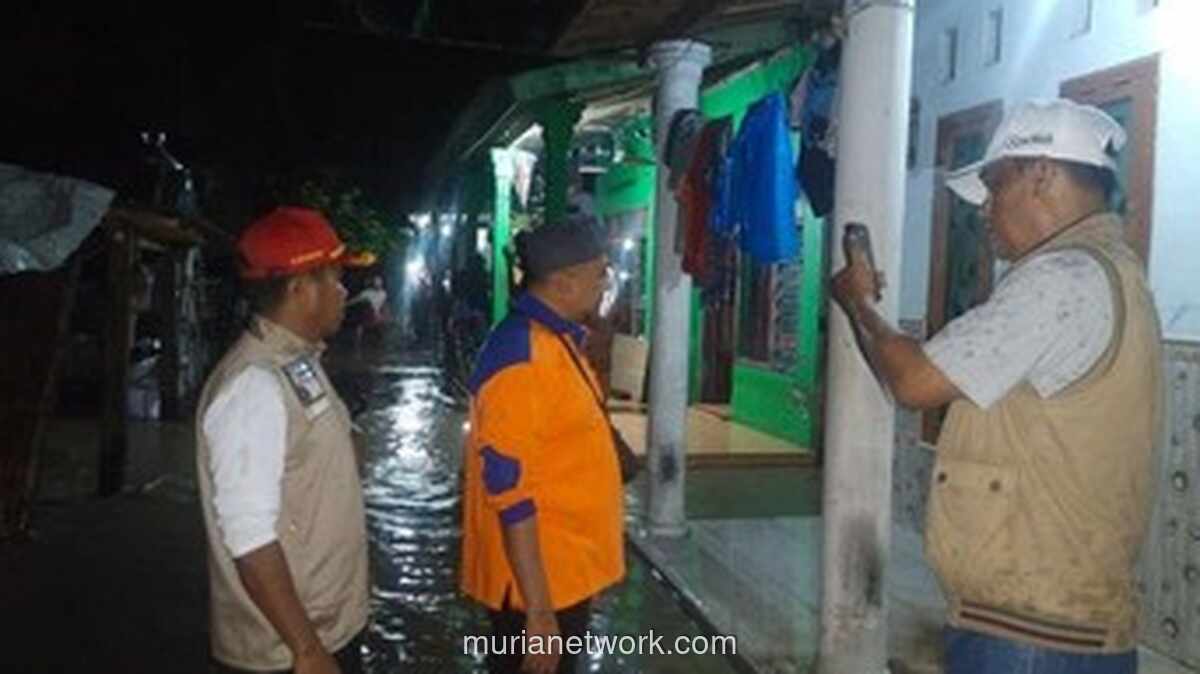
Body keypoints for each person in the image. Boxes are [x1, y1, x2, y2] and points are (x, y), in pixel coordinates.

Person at [831, 99, 1163, 674]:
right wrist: (862, 313)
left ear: (1042, 174)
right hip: (1058, 625)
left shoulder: (1062, 279)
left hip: (1034, 640)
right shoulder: (1113, 271)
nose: (984, 211)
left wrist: (857, 302)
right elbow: (909, 380)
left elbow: (912, 381)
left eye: (994, 186)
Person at [196, 206, 373, 674]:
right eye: (336, 279)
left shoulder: (296, 360)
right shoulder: (253, 385)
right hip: (288, 649)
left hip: (328, 624)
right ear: (300, 288)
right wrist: (307, 649)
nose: (344, 293)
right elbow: (249, 537)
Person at [460, 222, 624, 674]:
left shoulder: (555, 338)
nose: (604, 284)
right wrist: (538, 611)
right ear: (563, 282)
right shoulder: (521, 358)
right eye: (599, 275)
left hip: (563, 568)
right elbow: (510, 492)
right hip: (537, 582)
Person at [344, 275, 388, 347]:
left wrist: (382, 314)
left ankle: (379, 343)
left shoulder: (384, 293)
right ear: (373, 283)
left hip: (378, 316)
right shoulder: (367, 293)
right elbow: (356, 300)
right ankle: (357, 343)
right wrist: (346, 304)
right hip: (369, 315)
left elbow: (384, 305)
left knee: (380, 329)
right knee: (361, 326)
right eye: (376, 282)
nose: (378, 284)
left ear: (382, 283)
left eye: (379, 282)